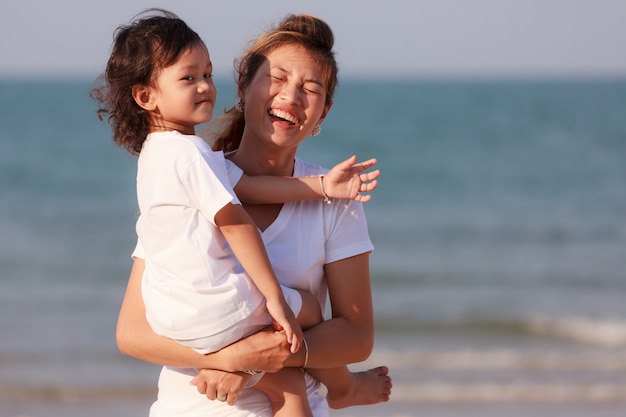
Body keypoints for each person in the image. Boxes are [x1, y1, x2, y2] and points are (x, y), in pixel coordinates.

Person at [92, 10, 382, 417]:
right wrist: (233, 359)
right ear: (244, 84)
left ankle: (344, 388)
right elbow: (133, 334)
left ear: (324, 112)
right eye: (277, 78)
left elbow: (356, 336)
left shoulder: (336, 203)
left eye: (310, 88)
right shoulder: (185, 182)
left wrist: (254, 364)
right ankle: (346, 386)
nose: (291, 97)